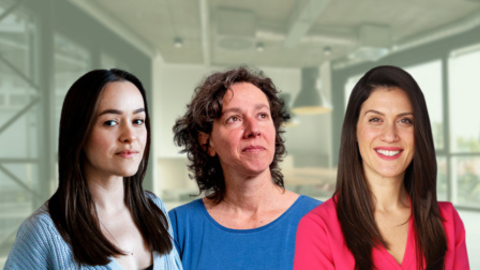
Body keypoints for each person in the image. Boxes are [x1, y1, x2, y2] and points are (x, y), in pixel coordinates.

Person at [294, 65, 469, 270]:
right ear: (354, 130)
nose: (390, 135)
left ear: (419, 133)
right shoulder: (318, 228)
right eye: (375, 119)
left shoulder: (448, 221)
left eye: (405, 120)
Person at [5, 69, 182, 269]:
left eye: (137, 121)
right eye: (111, 122)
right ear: (79, 132)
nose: (130, 136)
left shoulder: (155, 209)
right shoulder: (43, 232)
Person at [169, 67, 321, 270]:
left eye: (262, 115)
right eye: (234, 118)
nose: (254, 129)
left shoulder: (324, 220)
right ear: (207, 142)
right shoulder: (178, 227)